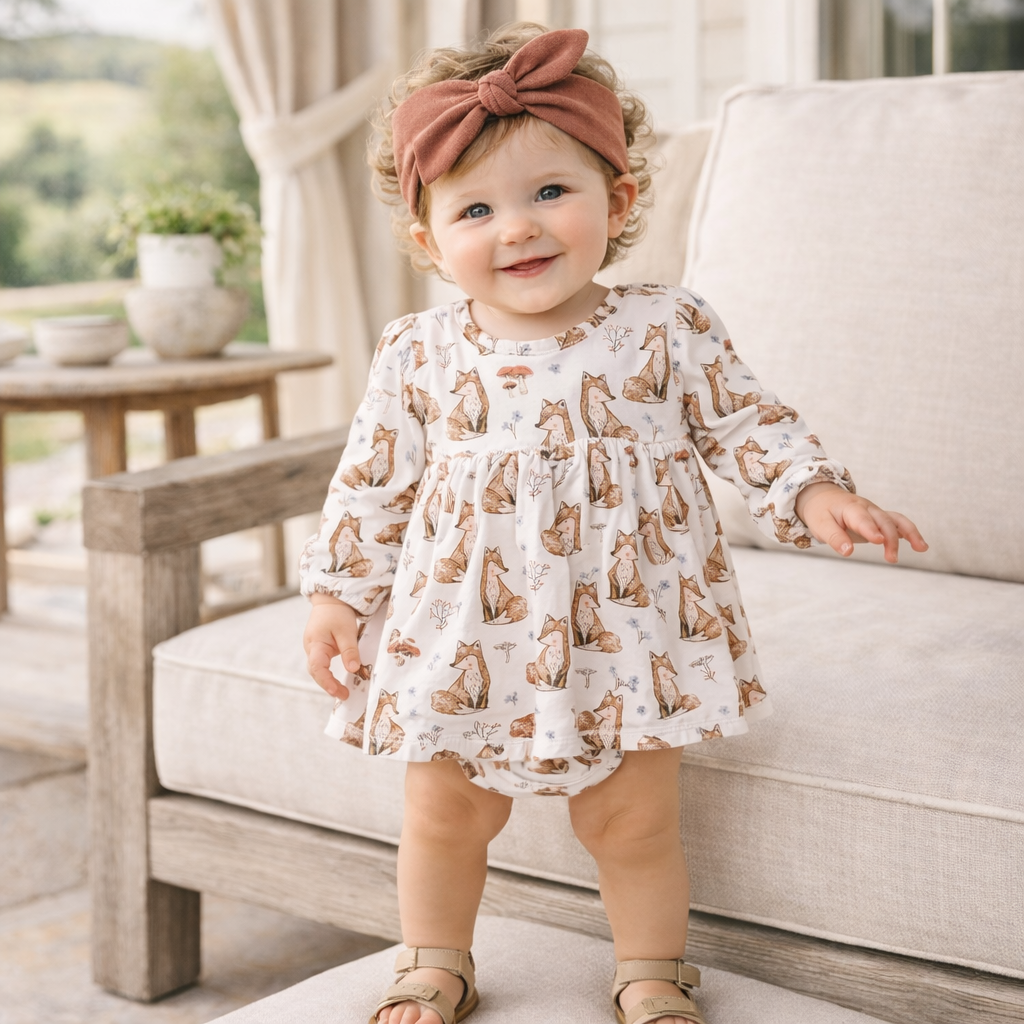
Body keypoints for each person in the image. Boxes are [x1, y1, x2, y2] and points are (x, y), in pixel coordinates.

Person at [300, 24, 927, 1024]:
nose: (518, 228)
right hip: (463, 631)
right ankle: (433, 962)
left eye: (550, 191)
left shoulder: (666, 326)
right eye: (475, 209)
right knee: (444, 811)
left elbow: (745, 424)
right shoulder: (417, 351)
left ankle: (651, 971)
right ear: (428, 241)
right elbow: (372, 484)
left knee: (630, 821)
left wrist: (814, 492)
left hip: (635, 631)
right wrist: (338, 596)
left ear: (619, 200)